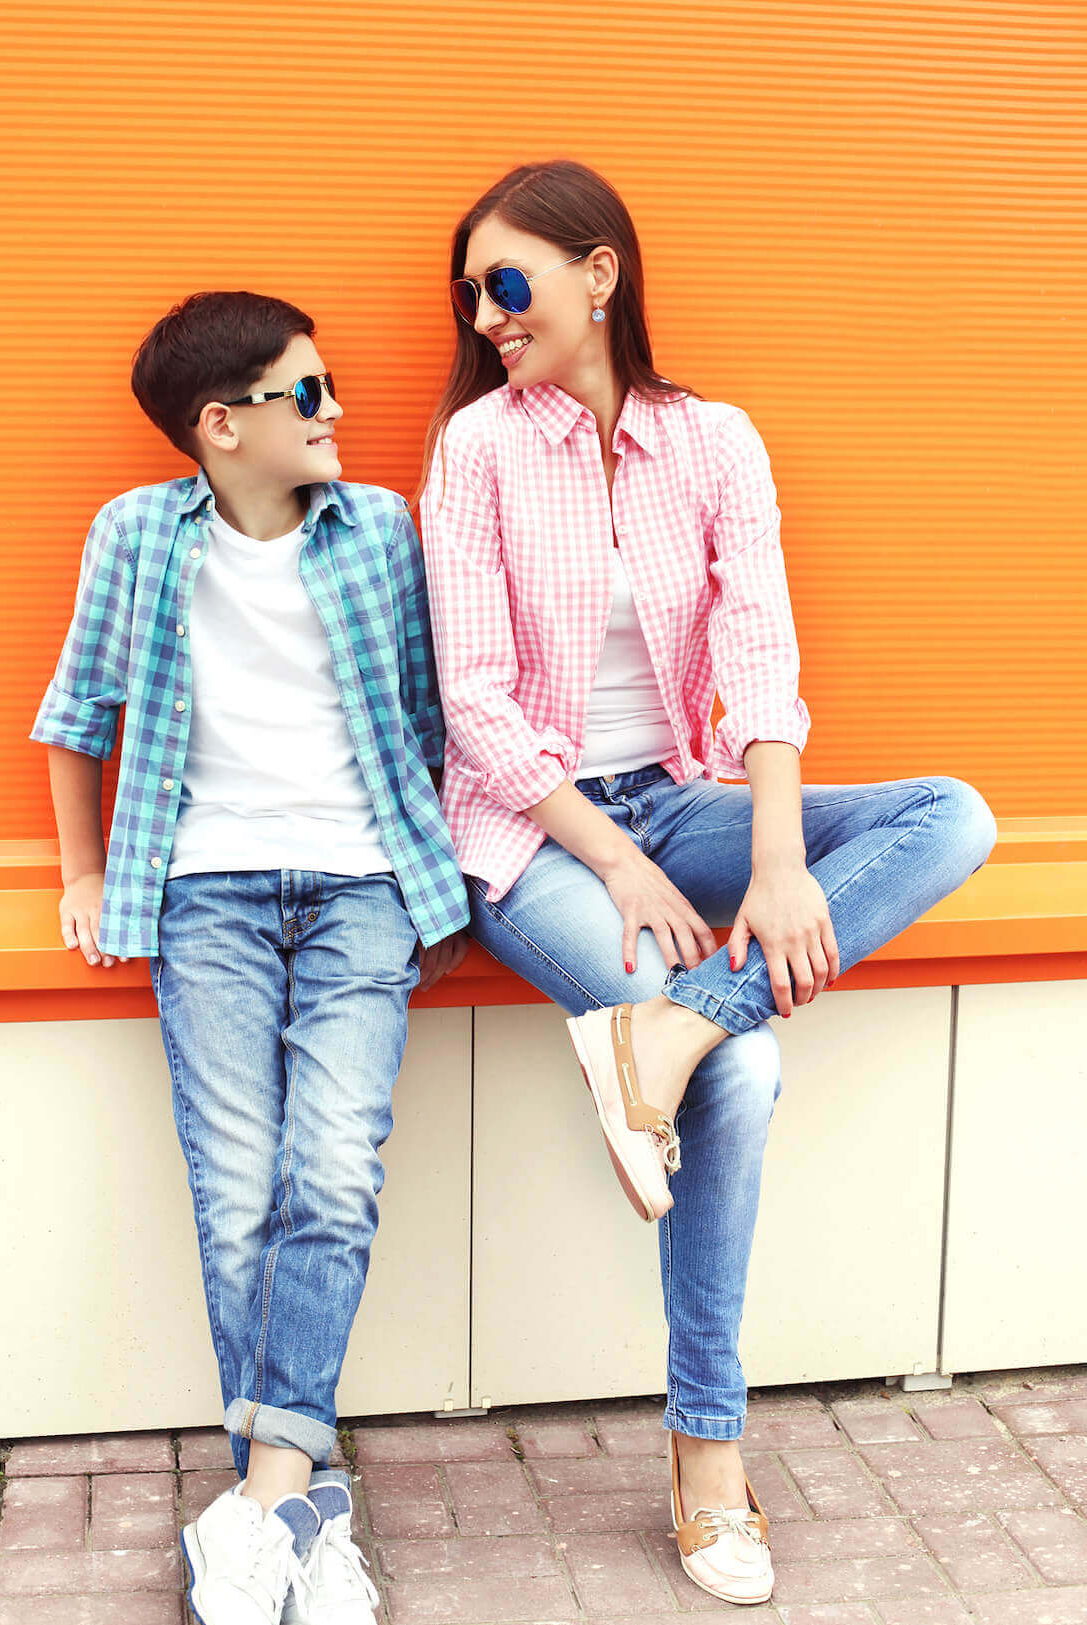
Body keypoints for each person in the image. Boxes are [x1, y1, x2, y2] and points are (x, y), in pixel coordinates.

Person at [419, 159, 997, 1608]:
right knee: (741, 1080)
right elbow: (475, 706)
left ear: (598, 273)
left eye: (510, 282)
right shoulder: (476, 450)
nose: (488, 316)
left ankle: (671, 1028)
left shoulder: (715, 441)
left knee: (953, 815)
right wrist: (610, 860)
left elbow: (760, 662)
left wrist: (786, 862)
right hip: (530, 834)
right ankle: (709, 1453)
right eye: (470, 295)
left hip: (686, 802)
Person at [32, 290, 469, 1625]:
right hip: (203, 891)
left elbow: (432, 710)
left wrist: (439, 874)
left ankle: (265, 1498)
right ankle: (304, 1513)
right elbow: (73, 715)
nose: (338, 412)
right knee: (239, 1190)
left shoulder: (380, 528)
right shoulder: (137, 537)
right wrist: (88, 871)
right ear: (220, 426)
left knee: (328, 1167)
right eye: (309, 393)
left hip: (362, 887)